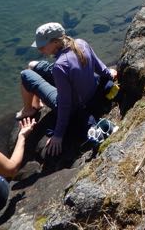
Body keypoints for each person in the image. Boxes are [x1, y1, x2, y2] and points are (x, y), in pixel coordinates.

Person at [16, 22, 117, 156]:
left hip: (74, 105)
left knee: (25, 74)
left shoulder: (60, 66)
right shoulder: (81, 43)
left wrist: (58, 135)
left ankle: (29, 109)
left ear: (55, 42)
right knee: (32, 64)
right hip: (90, 92)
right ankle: (37, 103)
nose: (40, 49)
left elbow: (64, 104)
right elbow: (100, 68)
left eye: (42, 46)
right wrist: (110, 73)